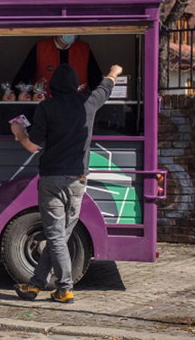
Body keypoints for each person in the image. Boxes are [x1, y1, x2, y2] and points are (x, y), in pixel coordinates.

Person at [10, 63, 123, 303]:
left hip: (51, 179)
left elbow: (33, 146)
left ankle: (64, 288)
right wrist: (114, 71)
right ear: (77, 85)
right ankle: (35, 285)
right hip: (77, 181)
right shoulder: (88, 103)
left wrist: (19, 131)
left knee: (55, 236)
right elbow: (106, 86)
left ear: (51, 87)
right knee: (59, 236)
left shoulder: (46, 107)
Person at [13, 35, 103, 97]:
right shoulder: (41, 48)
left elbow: (96, 81)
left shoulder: (83, 49)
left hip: (77, 108)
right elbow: (21, 80)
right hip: (46, 107)